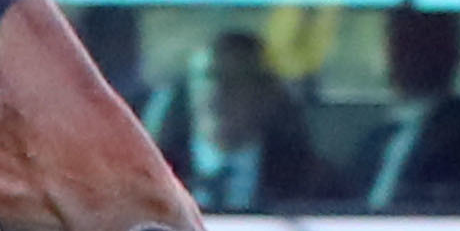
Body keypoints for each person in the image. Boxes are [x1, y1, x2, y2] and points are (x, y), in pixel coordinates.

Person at [138, 28, 328, 211]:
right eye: (209, 76)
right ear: (188, 90)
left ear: (265, 96)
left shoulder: (311, 180)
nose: (218, 91)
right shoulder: (149, 177)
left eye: (236, 79)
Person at [360, 8, 460, 210]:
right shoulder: (378, 139)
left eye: (415, 42)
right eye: (396, 41)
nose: (401, 55)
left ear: (451, 52)